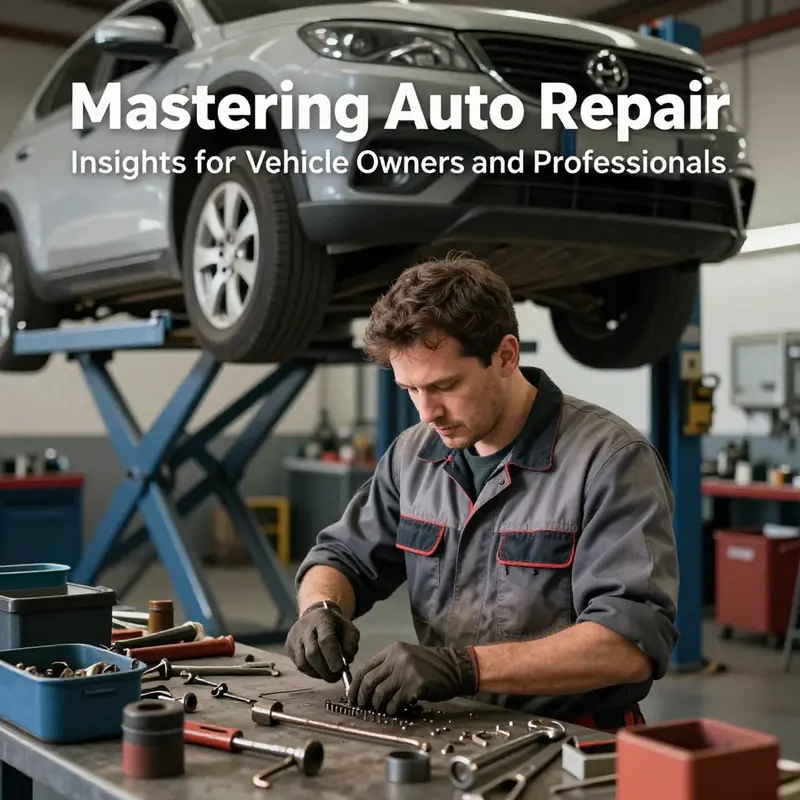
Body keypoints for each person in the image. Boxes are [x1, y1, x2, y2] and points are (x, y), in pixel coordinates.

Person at [285, 253, 679, 731]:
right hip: (450, 730)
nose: (427, 412)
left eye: (445, 385)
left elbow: (627, 645)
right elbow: (341, 556)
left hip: (576, 740)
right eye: (410, 389)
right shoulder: (413, 455)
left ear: (506, 355)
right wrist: (320, 608)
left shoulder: (609, 460)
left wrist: (464, 668)